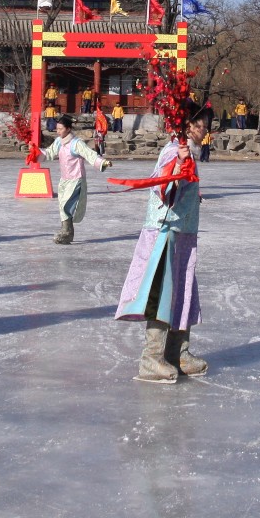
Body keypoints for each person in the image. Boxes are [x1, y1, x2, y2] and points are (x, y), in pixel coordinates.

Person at [115, 108, 209, 383]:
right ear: (189, 125)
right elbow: (161, 184)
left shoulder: (188, 151)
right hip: (165, 231)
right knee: (162, 291)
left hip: (183, 234)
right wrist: (178, 167)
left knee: (182, 290)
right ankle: (151, 358)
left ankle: (177, 352)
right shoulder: (173, 151)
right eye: (202, 125)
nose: (205, 131)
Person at [49, 113, 110, 244]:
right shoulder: (59, 142)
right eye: (57, 128)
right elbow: (49, 152)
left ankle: (67, 232)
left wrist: (102, 162)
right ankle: (66, 232)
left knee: (66, 204)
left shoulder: (76, 144)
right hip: (64, 179)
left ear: (68, 129)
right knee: (62, 205)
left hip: (76, 179)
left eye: (60, 129)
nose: (58, 131)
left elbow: (89, 154)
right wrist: (36, 153)